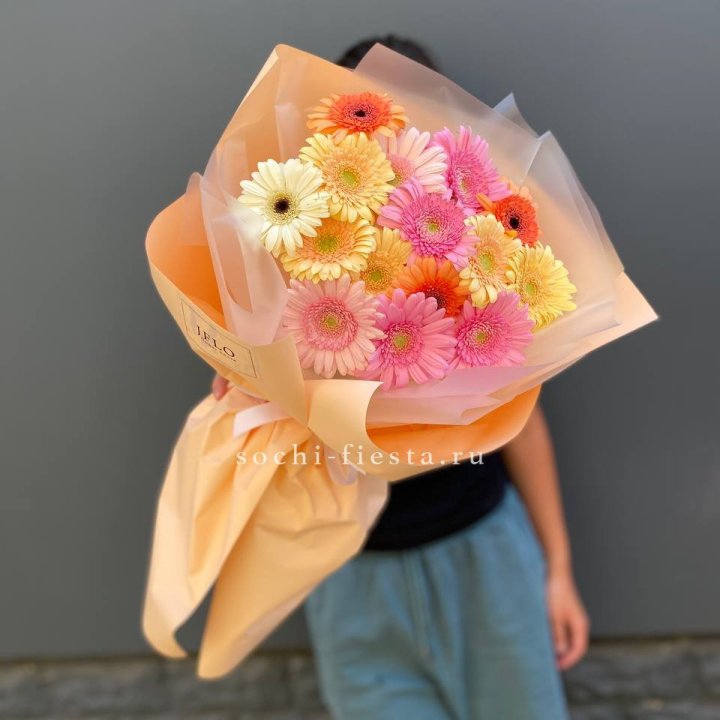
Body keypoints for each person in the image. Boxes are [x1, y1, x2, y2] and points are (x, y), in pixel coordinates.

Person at [211, 35, 588, 720]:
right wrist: (244, 394)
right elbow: (262, 436)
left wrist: (557, 570)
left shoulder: (477, 264)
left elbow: (523, 422)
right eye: (358, 113)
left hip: (483, 557)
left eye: (402, 113)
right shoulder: (284, 254)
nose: (380, 134)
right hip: (350, 576)